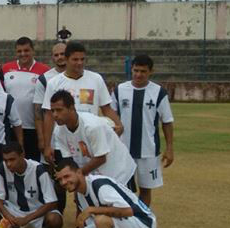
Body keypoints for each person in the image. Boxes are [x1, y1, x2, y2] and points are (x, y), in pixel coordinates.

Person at [41, 41, 121, 163]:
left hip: (89, 139)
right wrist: (47, 146)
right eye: (75, 59)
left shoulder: (96, 79)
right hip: (64, 141)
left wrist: (119, 124)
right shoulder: (54, 83)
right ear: (66, 59)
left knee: (89, 176)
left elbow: (106, 108)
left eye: (82, 59)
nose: (79, 63)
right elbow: (48, 115)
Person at [111, 54, 174, 206]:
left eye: (143, 71)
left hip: (148, 150)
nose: (138, 74)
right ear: (131, 70)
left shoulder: (159, 92)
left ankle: (142, 221)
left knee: (145, 189)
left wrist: (170, 148)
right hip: (123, 149)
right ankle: (126, 221)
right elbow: (110, 118)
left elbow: (167, 121)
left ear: (151, 72)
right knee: (122, 188)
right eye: (136, 70)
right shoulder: (119, 90)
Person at [49, 90, 135, 185]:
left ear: (72, 108)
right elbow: (68, 161)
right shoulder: (58, 131)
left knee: (119, 199)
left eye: (59, 110)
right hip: (93, 175)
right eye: (52, 111)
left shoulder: (92, 126)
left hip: (119, 172)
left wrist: (77, 176)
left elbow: (101, 158)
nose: (55, 115)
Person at [0, 142, 62, 228]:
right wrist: (8, 216)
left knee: (54, 220)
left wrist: (26, 219)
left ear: (22, 155)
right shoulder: (3, 167)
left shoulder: (38, 169)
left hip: (38, 211)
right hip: (14, 210)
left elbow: (52, 202)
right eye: (6, 160)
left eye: (12, 159)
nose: (8, 164)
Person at [0, 37, 49, 160]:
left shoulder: (44, 70)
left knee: (32, 162)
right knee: (12, 161)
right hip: (11, 127)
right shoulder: (5, 69)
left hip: (33, 127)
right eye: (19, 51)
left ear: (33, 51)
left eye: (26, 50)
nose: (23, 54)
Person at [33, 41, 67, 159]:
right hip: (52, 136)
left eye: (62, 54)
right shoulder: (44, 79)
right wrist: (42, 139)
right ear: (52, 57)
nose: (60, 57)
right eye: (56, 55)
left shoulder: (79, 77)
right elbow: (38, 113)